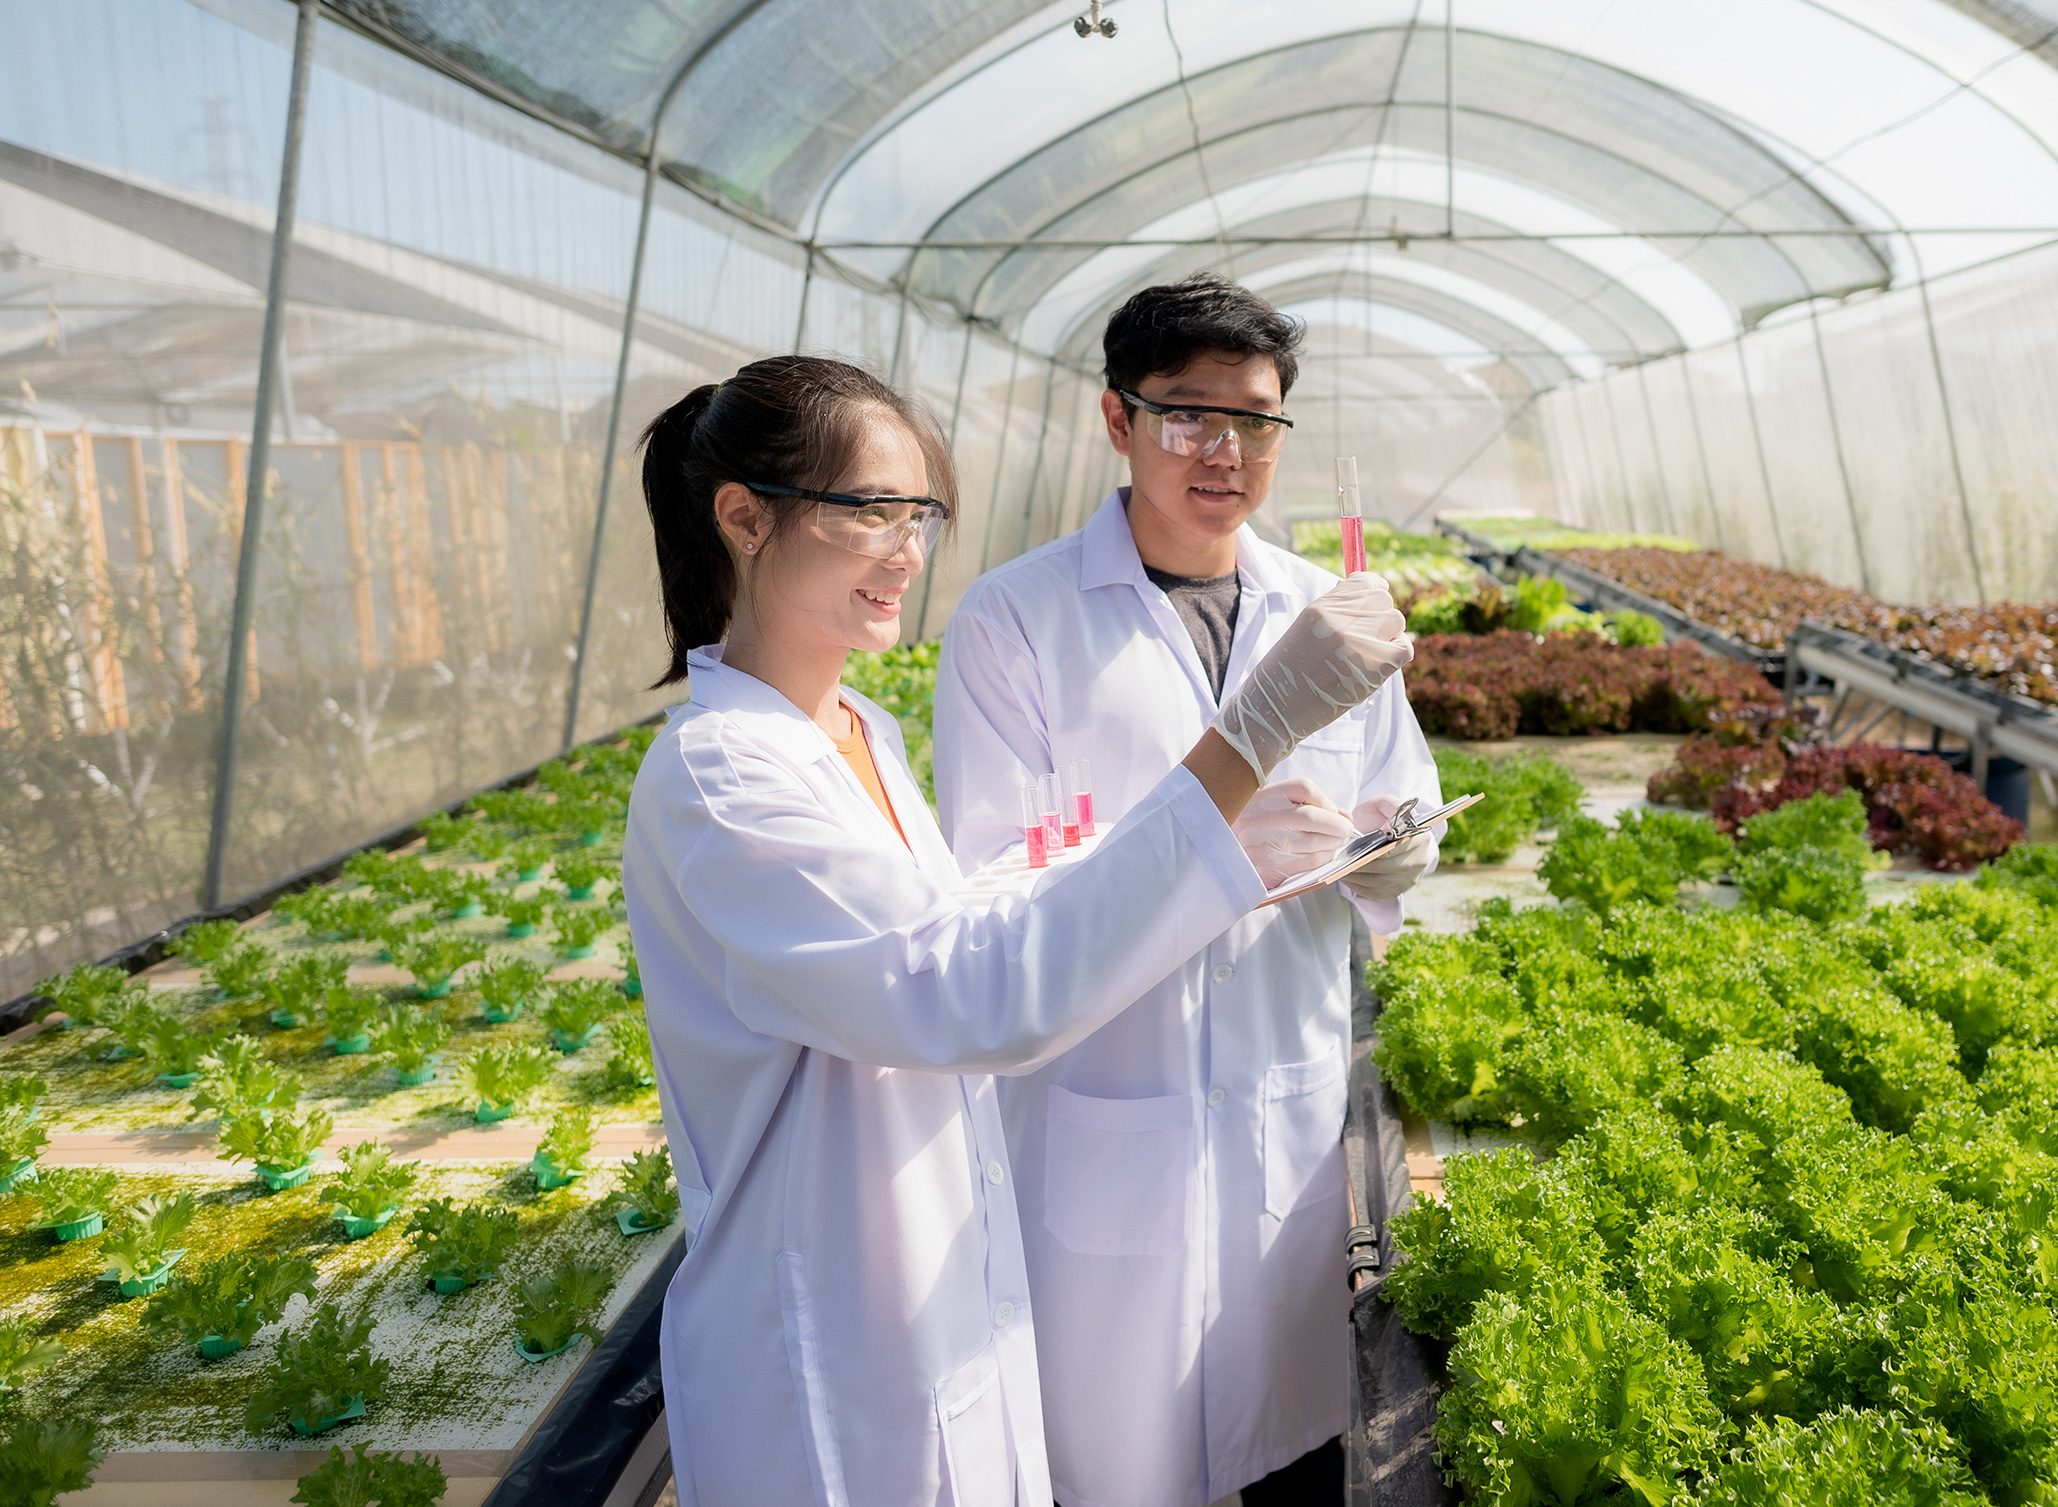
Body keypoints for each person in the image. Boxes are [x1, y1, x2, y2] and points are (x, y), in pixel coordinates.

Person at [619, 353, 1414, 1506]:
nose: (906, 550)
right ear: (743, 517)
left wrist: (1211, 857)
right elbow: (964, 991)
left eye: (921, 514)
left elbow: (978, 912)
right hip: (830, 1358)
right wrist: (1247, 740)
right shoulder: (719, 776)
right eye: (870, 511)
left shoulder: (856, 733)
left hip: (943, 1303)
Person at [932, 275, 1443, 1507]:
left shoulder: (1325, 612)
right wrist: (1203, 851)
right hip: (1112, 1116)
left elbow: (1405, 799)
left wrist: (1384, 842)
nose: (1225, 451)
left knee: (1293, 1452)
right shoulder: (1018, 621)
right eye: (1188, 417)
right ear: (1118, 419)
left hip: (1281, 1107)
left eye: (1255, 421)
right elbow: (998, 892)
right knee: (1119, 1464)